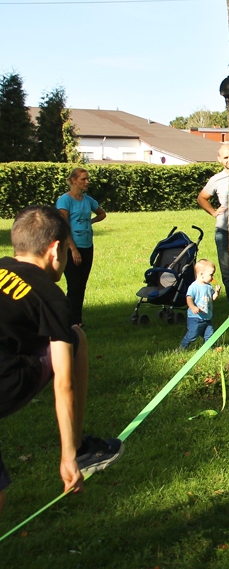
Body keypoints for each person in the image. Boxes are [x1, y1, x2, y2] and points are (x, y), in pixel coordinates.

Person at [0, 206, 122, 515]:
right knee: (74, 338)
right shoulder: (50, 295)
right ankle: (81, 450)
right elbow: (64, 382)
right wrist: (67, 454)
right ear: (55, 250)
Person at [56, 168, 106, 327]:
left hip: (87, 246)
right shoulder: (65, 200)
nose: (87, 182)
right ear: (73, 180)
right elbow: (63, 225)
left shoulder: (88, 200)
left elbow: (102, 214)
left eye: (87, 179)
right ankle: (68, 320)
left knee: (81, 285)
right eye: (83, 179)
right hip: (71, 248)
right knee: (74, 285)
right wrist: (73, 249)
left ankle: (77, 320)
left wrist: (90, 222)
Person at [197, 143, 229, 304]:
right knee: (227, 271)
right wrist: (213, 212)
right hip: (224, 230)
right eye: (226, 157)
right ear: (219, 159)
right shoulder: (217, 179)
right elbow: (202, 198)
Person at [181, 259, 221, 349]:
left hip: (207, 317)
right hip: (195, 318)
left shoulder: (208, 286)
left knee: (209, 335)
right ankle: (183, 347)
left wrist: (216, 293)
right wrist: (192, 307)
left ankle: (208, 348)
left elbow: (212, 298)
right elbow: (189, 298)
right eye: (211, 274)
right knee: (192, 335)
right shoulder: (194, 287)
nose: (213, 277)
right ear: (201, 274)